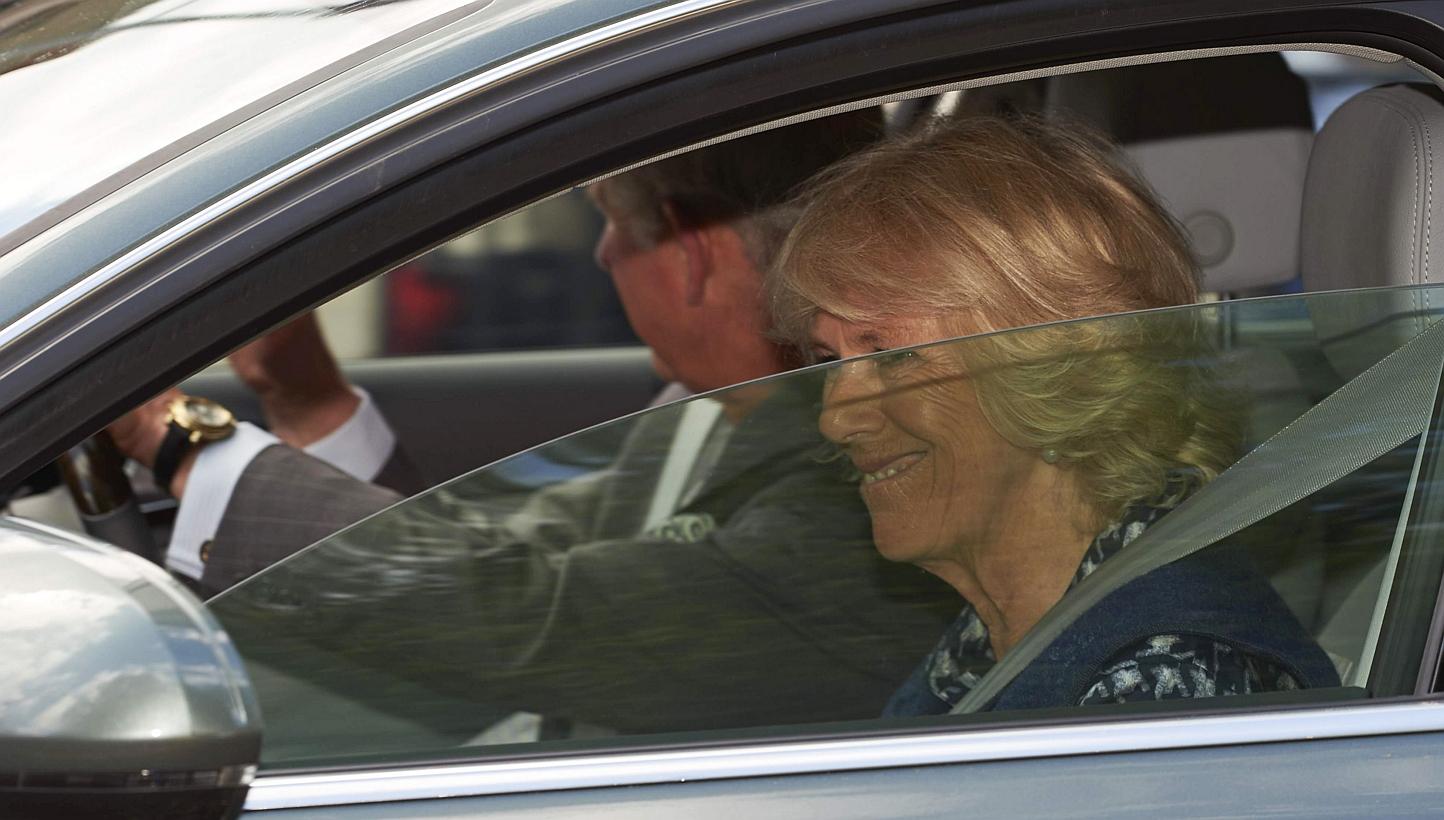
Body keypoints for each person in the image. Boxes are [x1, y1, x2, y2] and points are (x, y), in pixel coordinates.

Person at [109, 111, 960, 735]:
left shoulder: (857, 487)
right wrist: (305, 398)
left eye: (611, 224)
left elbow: (544, 616)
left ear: (689, 250)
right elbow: (506, 552)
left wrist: (184, 442)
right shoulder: (701, 415)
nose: (601, 257)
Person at [768, 114, 1340, 714]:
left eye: (892, 354)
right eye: (829, 358)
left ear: (1053, 366)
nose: (835, 418)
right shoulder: (1020, 629)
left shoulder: (1164, 678)